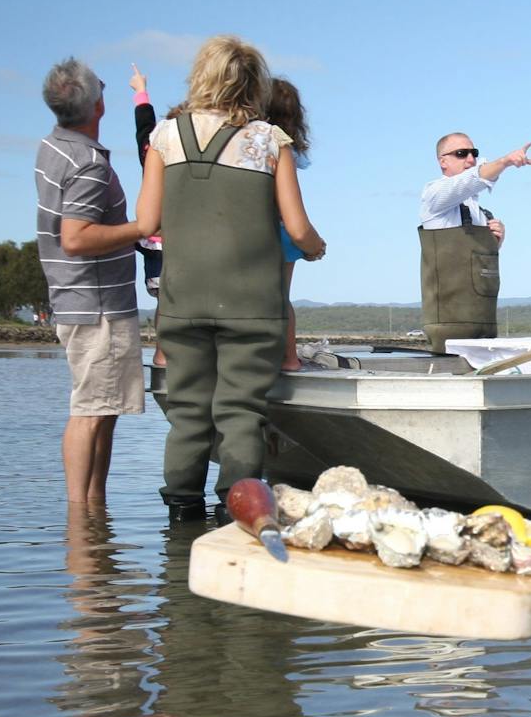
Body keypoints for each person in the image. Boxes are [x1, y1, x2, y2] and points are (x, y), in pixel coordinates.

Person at [135, 35, 324, 520]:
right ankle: (236, 510)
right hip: (250, 303)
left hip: (183, 299)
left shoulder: (164, 136)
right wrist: (315, 248)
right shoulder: (269, 141)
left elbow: (148, 220)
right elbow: (297, 227)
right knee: (240, 412)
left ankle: (180, 513)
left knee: (188, 412)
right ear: (252, 84)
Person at [35, 57, 146, 504]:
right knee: (90, 412)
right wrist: (142, 228)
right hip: (96, 305)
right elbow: (76, 238)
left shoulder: (53, 146)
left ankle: (93, 513)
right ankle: (81, 522)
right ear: (98, 106)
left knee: (103, 411)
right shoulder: (85, 162)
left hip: (78, 298)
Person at [417, 132, 531, 352]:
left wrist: (495, 243)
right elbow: (470, 181)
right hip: (449, 329)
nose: (470, 159)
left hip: (485, 325)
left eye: (474, 153)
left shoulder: (481, 212)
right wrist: (505, 162)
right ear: (443, 161)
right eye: (461, 154)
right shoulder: (434, 196)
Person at [265, 77, 326, 370]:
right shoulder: (289, 144)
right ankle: (289, 359)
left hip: (270, 226)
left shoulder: (262, 141)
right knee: (281, 298)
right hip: (289, 229)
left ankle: (279, 358)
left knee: (265, 297)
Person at [129, 63, 166, 367]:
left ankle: (162, 354)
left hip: (153, 240)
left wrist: (141, 92)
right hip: (173, 241)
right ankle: (166, 353)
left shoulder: (148, 153)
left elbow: (144, 123)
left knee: (163, 302)